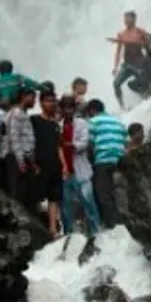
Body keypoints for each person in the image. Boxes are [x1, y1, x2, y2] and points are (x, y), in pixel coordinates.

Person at [59, 96, 102, 237]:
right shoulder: (58, 126)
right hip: (65, 171)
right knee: (66, 207)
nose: (67, 111)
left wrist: (68, 145)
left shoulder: (82, 123)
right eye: (64, 108)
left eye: (70, 108)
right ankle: (69, 235)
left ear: (74, 109)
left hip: (82, 170)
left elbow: (84, 144)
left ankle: (97, 232)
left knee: (88, 201)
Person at [86, 99, 127, 230]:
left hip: (103, 160)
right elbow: (125, 140)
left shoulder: (93, 122)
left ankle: (113, 226)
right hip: (120, 161)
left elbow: (89, 144)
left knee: (103, 193)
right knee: (117, 192)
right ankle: (122, 222)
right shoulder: (118, 121)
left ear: (92, 111)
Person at [30, 91, 64, 235]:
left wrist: (64, 166)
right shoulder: (34, 120)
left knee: (54, 197)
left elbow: (59, 146)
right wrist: (32, 162)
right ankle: (35, 226)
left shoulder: (55, 124)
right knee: (36, 195)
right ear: (41, 102)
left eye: (53, 101)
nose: (51, 104)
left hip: (55, 164)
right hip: (39, 164)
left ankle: (52, 229)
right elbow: (29, 142)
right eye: (48, 101)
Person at [5, 88, 37, 210]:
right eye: (33, 98)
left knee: (24, 192)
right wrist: (21, 161)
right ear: (24, 97)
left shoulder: (22, 114)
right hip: (17, 158)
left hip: (24, 158)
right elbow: (14, 137)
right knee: (18, 192)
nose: (35, 101)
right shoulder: (16, 114)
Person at [111, 11, 151, 106]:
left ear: (134, 19)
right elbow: (118, 52)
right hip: (127, 64)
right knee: (116, 83)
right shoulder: (121, 34)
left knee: (143, 84)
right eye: (125, 18)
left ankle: (145, 100)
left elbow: (149, 46)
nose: (127, 20)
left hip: (139, 64)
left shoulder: (140, 32)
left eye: (129, 18)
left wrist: (148, 62)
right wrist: (115, 67)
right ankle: (122, 106)